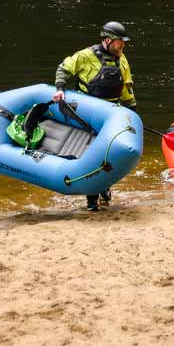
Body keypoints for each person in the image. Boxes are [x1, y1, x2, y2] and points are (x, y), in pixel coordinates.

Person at [53, 21, 137, 211]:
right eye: (119, 42)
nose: (123, 45)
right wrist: (60, 90)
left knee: (109, 153)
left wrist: (133, 114)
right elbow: (63, 69)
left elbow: (127, 89)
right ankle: (92, 200)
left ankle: (105, 187)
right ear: (107, 40)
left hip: (112, 115)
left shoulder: (121, 58)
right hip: (88, 114)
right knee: (90, 155)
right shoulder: (85, 56)